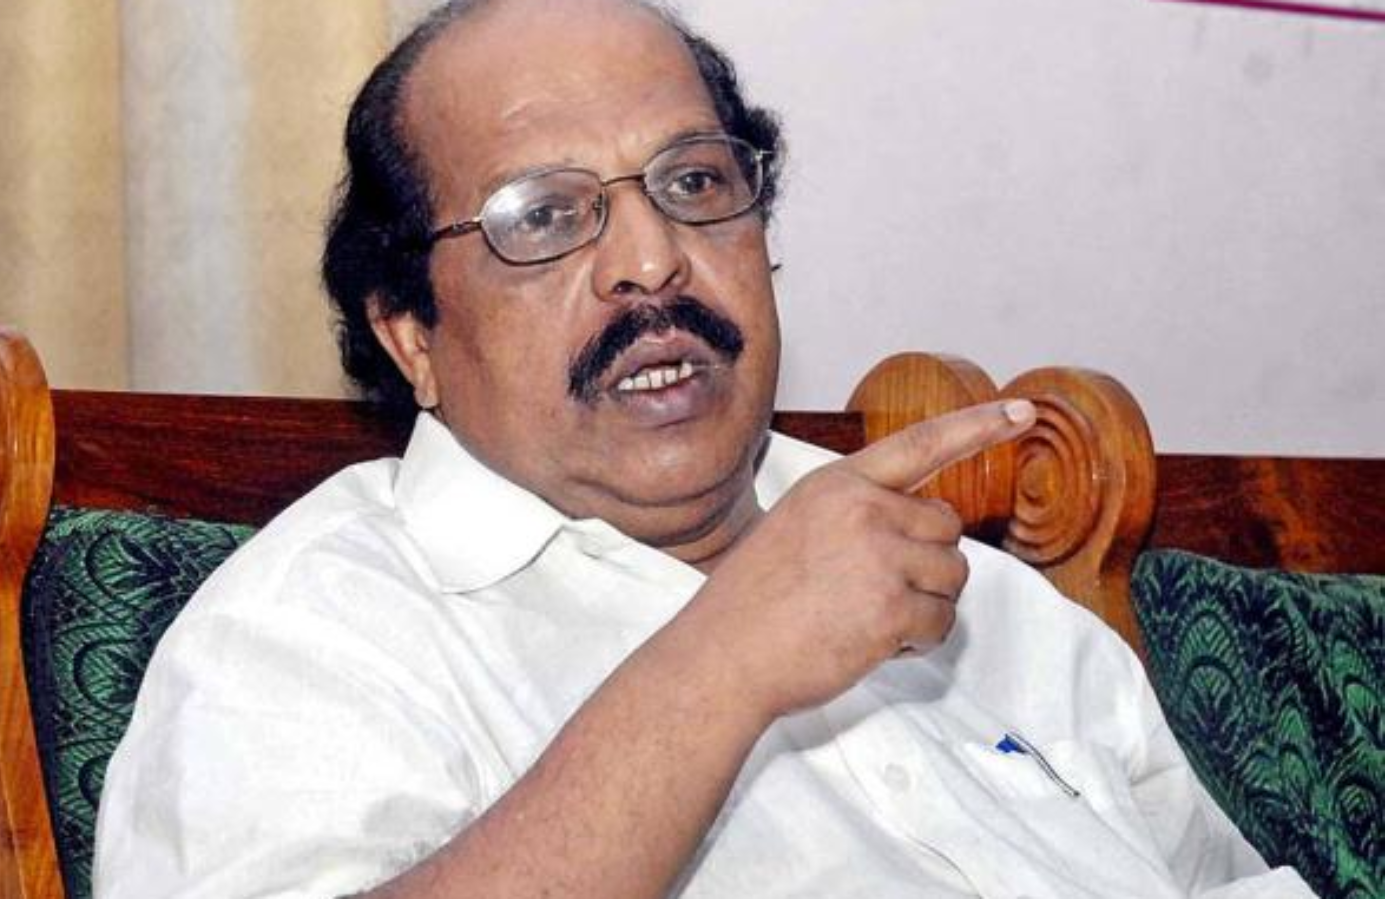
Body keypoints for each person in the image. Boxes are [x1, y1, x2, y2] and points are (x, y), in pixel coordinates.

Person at [92, 1, 1315, 896]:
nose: (651, 259)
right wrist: (723, 662)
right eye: (546, 216)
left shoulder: (977, 592)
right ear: (412, 332)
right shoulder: (309, 633)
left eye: (693, 182)